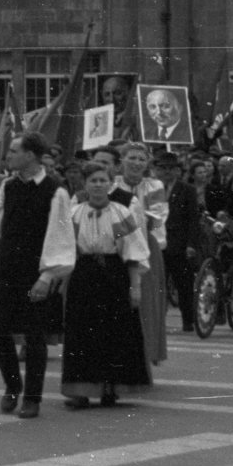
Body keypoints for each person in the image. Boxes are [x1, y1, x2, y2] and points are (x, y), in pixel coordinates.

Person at [0, 132, 75, 419]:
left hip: (35, 272)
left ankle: (32, 398)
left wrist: (46, 277)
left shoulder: (56, 192)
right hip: (7, 268)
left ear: (30, 155)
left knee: (34, 335)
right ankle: (12, 384)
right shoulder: (7, 187)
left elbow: (60, 236)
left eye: (14, 150)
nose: (8, 155)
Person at [60, 162, 150, 409]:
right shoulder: (74, 214)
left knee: (115, 332)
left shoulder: (121, 213)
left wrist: (135, 286)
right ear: (85, 185)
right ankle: (80, 390)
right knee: (82, 333)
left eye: (103, 180)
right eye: (93, 181)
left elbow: (133, 251)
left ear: (110, 184)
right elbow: (65, 249)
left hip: (114, 275)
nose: (98, 185)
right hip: (83, 276)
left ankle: (111, 387)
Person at [114, 143, 169, 365]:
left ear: (147, 163)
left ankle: (147, 352)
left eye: (141, 159)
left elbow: (156, 218)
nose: (136, 163)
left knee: (146, 300)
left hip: (148, 245)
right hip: (117, 244)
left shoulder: (154, 185)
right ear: (122, 160)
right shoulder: (114, 184)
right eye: (132, 158)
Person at [158, 153, 201, 333]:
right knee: (159, 285)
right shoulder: (153, 189)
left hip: (179, 244)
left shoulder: (187, 190)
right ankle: (159, 320)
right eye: (163, 168)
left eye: (171, 168)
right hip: (158, 243)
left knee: (183, 284)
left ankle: (188, 320)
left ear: (177, 171)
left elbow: (193, 219)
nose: (167, 172)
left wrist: (191, 244)